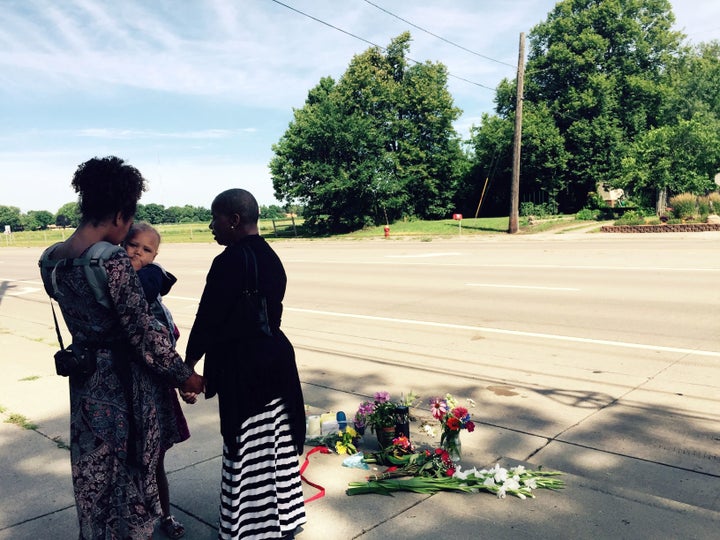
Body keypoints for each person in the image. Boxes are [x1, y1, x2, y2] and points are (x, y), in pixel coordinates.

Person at [38, 156, 204, 539]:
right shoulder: (110, 261)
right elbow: (142, 334)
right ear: (118, 215)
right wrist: (186, 376)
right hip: (126, 392)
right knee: (132, 485)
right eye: (128, 222)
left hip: (85, 388)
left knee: (94, 481)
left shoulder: (52, 260)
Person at [183, 188, 306, 539]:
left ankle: (250, 529)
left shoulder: (229, 261)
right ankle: (285, 520)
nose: (211, 225)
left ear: (234, 220)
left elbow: (208, 319)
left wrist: (187, 367)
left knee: (247, 448)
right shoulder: (271, 256)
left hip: (246, 368)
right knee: (276, 446)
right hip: (278, 363)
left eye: (215, 217)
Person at [123, 222, 189, 539]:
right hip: (129, 391)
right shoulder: (124, 285)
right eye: (132, 244)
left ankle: (165, 514)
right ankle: (138, 521)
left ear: (155, 255)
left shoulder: (152, 289)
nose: (137, 252)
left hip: (157, 388)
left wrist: (181, 381)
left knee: (156, 461)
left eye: (146, 249)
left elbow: (166, 348)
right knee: (132, 464)